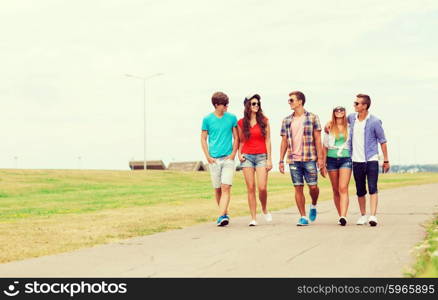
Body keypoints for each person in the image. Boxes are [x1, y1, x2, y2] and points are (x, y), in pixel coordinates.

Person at [279, 91, 325, 226]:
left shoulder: (313, 117)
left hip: (309, 157)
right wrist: (281, 160)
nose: (289, 102)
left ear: (300, 101)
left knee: (313, 187)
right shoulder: (286, 120)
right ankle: (303, 216)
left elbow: (318, 139)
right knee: (298, 187)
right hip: (293, 159)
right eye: (289, 100)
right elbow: (284, 141)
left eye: (291, 100)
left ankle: (314, 204)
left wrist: (320, 159)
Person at [349, 94, 389, 226]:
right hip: (356, 160)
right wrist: (328, 123)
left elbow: (382, 141)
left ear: (364, 106)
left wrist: (386, 160)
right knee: (360, 190)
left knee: (372, 187)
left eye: (357, 103)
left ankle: (373, 216)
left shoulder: (374, 121)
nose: (354, 105)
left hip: (371, 159)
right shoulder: (351, 118)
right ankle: (363, 215)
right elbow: (338, 120)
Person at [201, 92, 238, 226]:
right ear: (216, 105)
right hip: (214, 160)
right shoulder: (207, 120)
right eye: (224, 104)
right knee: (217, 189)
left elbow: (237, 137)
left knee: (225, 187)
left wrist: (233, 153)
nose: (227, 106)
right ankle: (224, 213)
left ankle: (221, 215)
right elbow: (203, 139)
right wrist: (208, 157)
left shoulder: (232, 118)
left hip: (228, 159)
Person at [237, 93, 273, 226]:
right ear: (247, 105)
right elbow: (241, 141)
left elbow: (268, 140)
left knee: (262, 187)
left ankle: (264, 208)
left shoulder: (264, 120)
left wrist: (269, 159)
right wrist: (239, 155)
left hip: (261, 156)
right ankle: (253, 218)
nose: (256, 106)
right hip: (247, 157)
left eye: (258, 103)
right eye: (253, 103)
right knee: (250, 187)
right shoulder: (241, 122)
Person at [322, 106, 352, 226]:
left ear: (345, 113)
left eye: (342, 110)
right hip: (331, 159)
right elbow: (324, 147)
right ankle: (340, 216)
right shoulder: (329, 127)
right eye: (337, 110)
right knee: (335, 189)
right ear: (333, 113)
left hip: (345, 158)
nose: (339, 112)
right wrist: (323, 164)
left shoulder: (350, 126)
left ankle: (344, 215)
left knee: (343, 187)